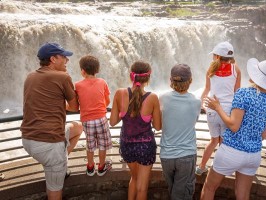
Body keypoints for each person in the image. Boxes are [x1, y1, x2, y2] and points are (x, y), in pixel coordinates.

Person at [200, 58, 266, 200]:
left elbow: (233, 125)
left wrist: (218, 107)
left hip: (232, 151)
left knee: (209, 187)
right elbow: (264, 134)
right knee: (243, 195)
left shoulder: (243, 94)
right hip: (253, 155)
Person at [21, 42, 83, 200]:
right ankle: (58, 168)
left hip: (28, 140)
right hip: (49, 144)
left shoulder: (30, 76)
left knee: (78, 128)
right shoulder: (62, 77)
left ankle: (62, 165)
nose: (67, 61)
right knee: (55, 192)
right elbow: (74, 106)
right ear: (53, 59)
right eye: (63, 57)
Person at [110, 61, 161, 200]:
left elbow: (113, 121)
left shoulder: (119, 93)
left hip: (127, 146)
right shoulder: (152, 98)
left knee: (134, 177)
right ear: (148, 77)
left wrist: (126, 113)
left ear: (131, 75)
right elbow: (157, 126)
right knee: (142, 188)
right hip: (145, 147)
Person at [195, 41, 241, 175]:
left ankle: (201, 167)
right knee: (224, 142)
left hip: (211, 109)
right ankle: (222, 169)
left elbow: (207, 89)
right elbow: (237, 92)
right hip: (227, 111)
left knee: (214, 140)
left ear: (217, 56)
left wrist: (201, 102)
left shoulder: (211, 69)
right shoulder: (236, 69)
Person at [159, 64, 201, 200]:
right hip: (186, 156)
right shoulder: (196, 102)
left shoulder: (162, 98)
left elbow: (160, 123)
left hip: (166, 156)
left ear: (171, 80)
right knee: (183, 194)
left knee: (173, 191)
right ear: (190, 81)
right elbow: (192, 122)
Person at [75, 55, 112, 176]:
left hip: (87, 120)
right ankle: (101, 167)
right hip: (101, 118)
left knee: (90, 144)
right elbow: (107, 101)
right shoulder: (102, 82)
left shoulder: (78, 85)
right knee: (102, 144)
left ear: (83, 71)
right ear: (97, 70)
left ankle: (90, 167)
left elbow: (77, 102)